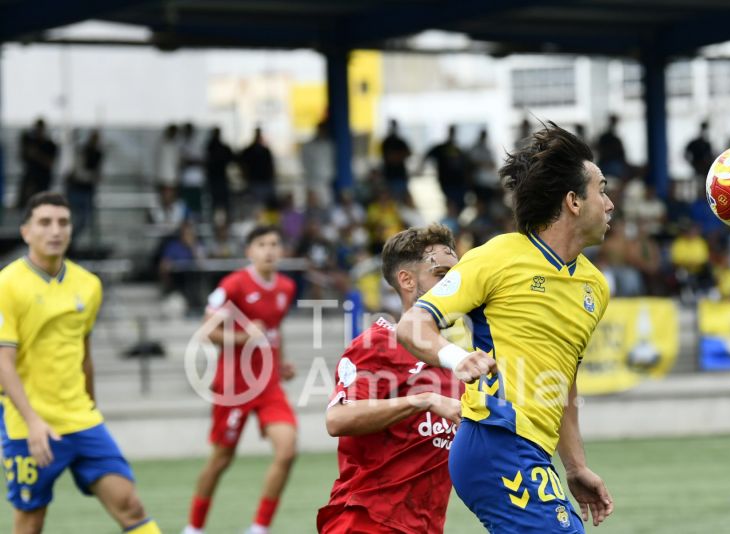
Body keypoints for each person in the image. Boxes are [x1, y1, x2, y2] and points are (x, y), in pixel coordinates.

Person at [397, 122, 615, 533]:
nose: (609, 203)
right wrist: (457, 357)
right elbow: (412, 325)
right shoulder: (497, 256)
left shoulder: (594, 287)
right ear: (572, 201)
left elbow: (564, 381)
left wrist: (575, 465)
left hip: (533, 451)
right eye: (601, 189)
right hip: (495, 439)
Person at [0, 192, 161, 534]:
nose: (55, 230)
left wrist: (93, 410)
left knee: (131, 506)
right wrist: (32, 421)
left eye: (63, 222)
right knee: (30, 522)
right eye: (45, 222)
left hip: (81, 420)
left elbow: (84, 355)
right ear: (26, 231)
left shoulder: (89, 286)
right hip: (27, 425)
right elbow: (3, 361)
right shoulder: (7, 284)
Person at [317, 223, 462, 534]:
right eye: (441, 276)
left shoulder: (455, 358)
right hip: (366, 522)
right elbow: (337, 419)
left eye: (457, 276)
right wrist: (424, 400)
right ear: (407, 280)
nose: (455, 286)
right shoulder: (378, 344)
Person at [183, 225, 298, 534]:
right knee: (221, 459)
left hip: (269, 385)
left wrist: (281, 362)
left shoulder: (286, 287)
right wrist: (244, 335)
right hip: (235, 386)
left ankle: (259, 528)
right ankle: (194, 528)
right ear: (249, 251)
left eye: (275, 244)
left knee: (287, 450)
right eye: (262, 244)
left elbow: (275, 330)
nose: (270, 250)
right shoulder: (233, 285)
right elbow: (207, 332)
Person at [17, 118, 58, 208]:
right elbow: (23, 156)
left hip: (42, 182)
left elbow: (50, 163)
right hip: (31, 181)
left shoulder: (49, 145)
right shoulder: (31, 142)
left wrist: (36, 154)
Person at [380, 119, 412, 199]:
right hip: (389, 175)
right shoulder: (386, 142)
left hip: (401, 175)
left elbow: (409, 153)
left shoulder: (401, 141)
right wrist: (399, 156)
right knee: (392, 199)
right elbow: (388, 157)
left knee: (402, 198)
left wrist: (396, 156)